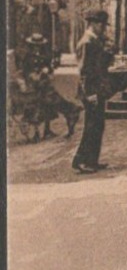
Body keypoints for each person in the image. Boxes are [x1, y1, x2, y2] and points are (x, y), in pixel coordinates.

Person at [71, 9, 115, 174]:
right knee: (91, 126)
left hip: (97, 89)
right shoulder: (87, 42)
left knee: (98, 125)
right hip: (91, 91)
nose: (104, 28)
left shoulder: (95, 40)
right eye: (102, 25)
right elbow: (84, 71)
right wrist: (90, 94)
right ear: (94, 24)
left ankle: (92, 160)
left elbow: (101, 64)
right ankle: (81, 161)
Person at [19, 33, 80, 140]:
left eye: (39, 45)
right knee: (36, 106)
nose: (36, 47)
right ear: (31, 45)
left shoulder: (44, 55)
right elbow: (24, 70)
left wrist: (47, 70)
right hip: (33, 85)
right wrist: (31, 75)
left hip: (44, 83)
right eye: (34, 45)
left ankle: (48, 130)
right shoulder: (28, 57)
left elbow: (50, 68)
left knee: (49, 104)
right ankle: (36, 132)